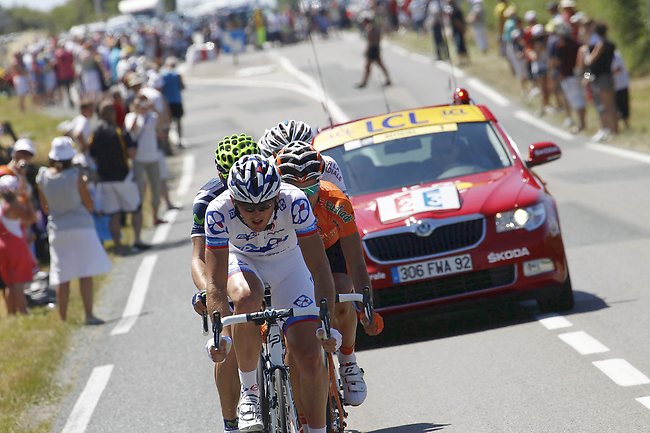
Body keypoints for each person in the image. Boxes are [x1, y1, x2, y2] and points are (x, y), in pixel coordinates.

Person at [204, 155, 338, 433]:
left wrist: (328, 324)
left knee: (309, 353)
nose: (256, 214)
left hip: (289, 264)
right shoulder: (218, 211)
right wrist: (220, 336)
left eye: (265, 206)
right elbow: (215, 283)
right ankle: (250, 391)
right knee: (245, 299)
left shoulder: (295, 201)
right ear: (233, 200)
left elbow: (319, 266)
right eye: (247, 206)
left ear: (277, 198)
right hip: (243, 262)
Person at [276, 141, 384, 407]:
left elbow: (356, 262)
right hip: (289, 255)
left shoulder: (336, 201)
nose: (304, 196)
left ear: (321, 178)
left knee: (343, 288)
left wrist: (366, 309)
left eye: (311, 187)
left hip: (329, 247)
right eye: (295, 189)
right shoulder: (273, 207)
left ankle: (348, 361)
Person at [190, 133, 259, 432]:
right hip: (224, 267)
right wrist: (209, 290)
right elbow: (198, 258)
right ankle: (231, 420)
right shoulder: (207, 200)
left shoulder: (268, 185)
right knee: (227, 342)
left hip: (264, 262)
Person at [36, 137, 111, 324]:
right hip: (81, 225)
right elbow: (89, 204)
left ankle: (63, 318)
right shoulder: (76, 175)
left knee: (63, 275)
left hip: (58, 228)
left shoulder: (43, 176)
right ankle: (89, 315)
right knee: (85, 272)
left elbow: (45, 208)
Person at [89, 100, 149, 254]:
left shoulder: (95, 134)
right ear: (112, 114)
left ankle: (118, 245)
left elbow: (93, 157)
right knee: (135, 209)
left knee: (113, 213)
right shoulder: (119, 131)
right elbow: (132, 153)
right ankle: (137, 240)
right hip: (123, 177)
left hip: (105, 180)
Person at [258, 120, 347, 194]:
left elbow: (343, 203)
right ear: (273, 156)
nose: (297, 159)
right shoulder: (267, 171)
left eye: (303, 152)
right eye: (287, 157)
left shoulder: (328, 164)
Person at [125, 94, 165, 225]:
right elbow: (130, 130)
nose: (142, 106)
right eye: (139, 104)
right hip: (139, 159)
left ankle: (155, 216)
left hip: (152, 157)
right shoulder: (130, 116)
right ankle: (139, 219)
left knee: (156, 188)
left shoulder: (152, 116)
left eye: (143, 103)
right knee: (140, 190)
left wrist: (152, 108)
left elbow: (161, 124)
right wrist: (136, 113)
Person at [0, 175, 35, 315]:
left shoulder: (2, 206)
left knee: (9, 282)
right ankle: (23, 310)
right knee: (18, 280)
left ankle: (11, 312)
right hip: (14, 244)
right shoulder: (14, 205)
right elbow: (31, 218)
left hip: (3, 244)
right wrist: (27, 201)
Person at [355, 11, 391, 88]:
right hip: (376, 48)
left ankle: (364, 82)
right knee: (379, 65)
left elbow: (370, 42)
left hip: (372, 49)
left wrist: (367, 51)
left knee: (368, 66)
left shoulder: (370, 28)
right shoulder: (375, 27)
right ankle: (388, 79)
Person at [161, 57, 185, 149]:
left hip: (168, 102)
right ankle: (179, 141)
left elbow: (162, 89)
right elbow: (182, 86)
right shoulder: (177, 74)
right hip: (177, 100)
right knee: (178, 122)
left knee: (168, 123)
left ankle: (168, 144)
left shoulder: (163, 75)